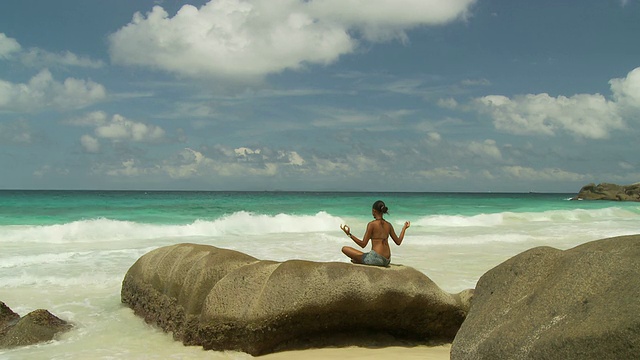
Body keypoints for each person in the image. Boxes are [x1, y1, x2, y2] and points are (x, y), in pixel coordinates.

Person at [340, 200, 410, 267]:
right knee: (363, 255)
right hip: (387, 260)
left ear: (374, 211)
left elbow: (363, 244)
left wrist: (349, 234)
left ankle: (360, 261)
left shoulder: (372, 224)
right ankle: (359, 260)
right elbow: (398, 242)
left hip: (376, 259)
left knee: (345, 249)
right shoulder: (388, 225)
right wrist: (404, 228)